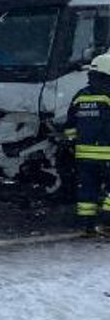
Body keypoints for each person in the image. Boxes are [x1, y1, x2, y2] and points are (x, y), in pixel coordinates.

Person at [63, 52, 110, 235]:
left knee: (87, 191)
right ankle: (107, 223)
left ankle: (86, 225)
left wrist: (73, 142)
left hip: (84, 155)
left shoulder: (81, 96)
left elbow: (70, 126)